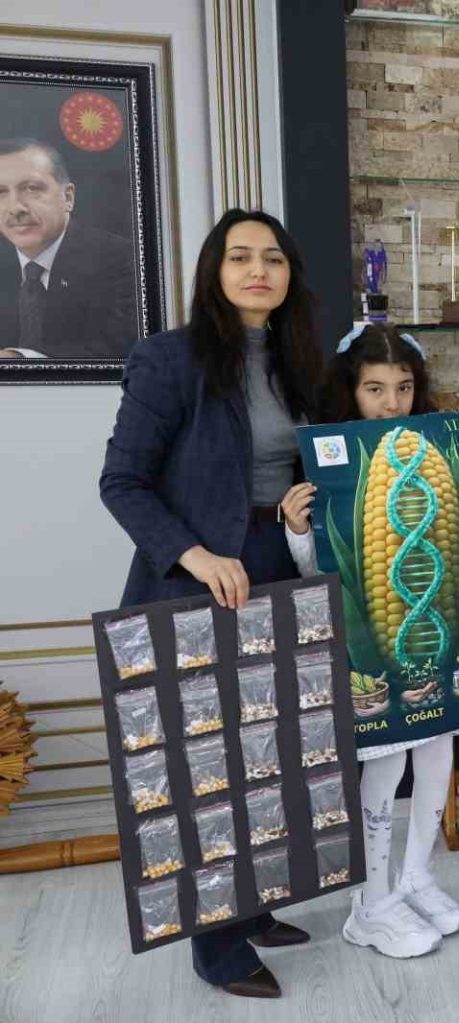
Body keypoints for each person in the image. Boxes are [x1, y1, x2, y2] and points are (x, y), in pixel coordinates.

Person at [99, 208, 322, 998]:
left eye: (273, 258)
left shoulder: (300, 363)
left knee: (269, 754)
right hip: (197, 581)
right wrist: (194, 554)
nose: (258, 270)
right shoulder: (169, 360)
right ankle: (216, 944)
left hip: (279, 565)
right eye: (240, 257)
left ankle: (253, 904)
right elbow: (121, 481)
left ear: (290, 274)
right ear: (214, 272)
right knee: (209, 769)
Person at [279, 324, 459, 957]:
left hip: (442, 646)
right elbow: (313, 572)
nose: (391, 404)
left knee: (436, 754)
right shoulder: (325, 466)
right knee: (386, 762)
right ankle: (370, 904)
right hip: (377, 655)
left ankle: (415, 878)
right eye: (374, 389)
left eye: (403, 388)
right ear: (351, 390)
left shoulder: (439, 450)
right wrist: (295, 527)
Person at [0, 137, 137, 358]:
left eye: (32, 188)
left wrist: (19, 359)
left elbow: (122, 348)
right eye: (0, 193)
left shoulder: (123, 260)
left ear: (68, 197)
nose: (15, 208)